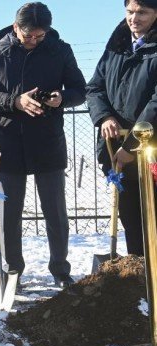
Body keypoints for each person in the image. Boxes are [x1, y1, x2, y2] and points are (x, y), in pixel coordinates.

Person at [0, 2, 86, 288]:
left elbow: (80, 90)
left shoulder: (60, 50)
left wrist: (61, 99)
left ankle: (60, 269)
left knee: (55, 211)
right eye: (28, 35)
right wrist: (15, 101)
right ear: (15, 27)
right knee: (9, 214)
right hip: (8, 141)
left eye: (40, 36)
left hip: (47, 141)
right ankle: (12, 271)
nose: (33, 41)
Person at [87, 0, 157, 256]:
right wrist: (105, 117)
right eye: (130, 11)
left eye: (142, 12)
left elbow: (156, 104)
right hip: (117, 148)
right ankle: (137, 271)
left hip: (149, 149)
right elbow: (94, 88)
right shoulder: (116, 47)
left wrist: (131, 146)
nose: (134, 18)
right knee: (130, 216)